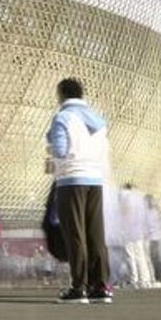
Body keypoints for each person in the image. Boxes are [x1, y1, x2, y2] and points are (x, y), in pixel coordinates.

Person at [45, 78, 112, 304]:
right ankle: (101, 286)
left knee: (75, 235)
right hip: (95, 180)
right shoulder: (98, 121)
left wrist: (51, 141)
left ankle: (78, 287)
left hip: (71, 180)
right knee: (96, 234)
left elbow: (61, 151)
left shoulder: (62, 117)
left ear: (62, 94)